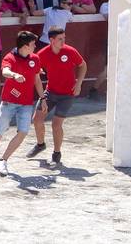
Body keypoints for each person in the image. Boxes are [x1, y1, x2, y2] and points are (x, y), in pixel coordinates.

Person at [0, 31, 45, 176]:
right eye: (33, 44)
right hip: (9, 102)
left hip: (26, 103)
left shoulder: (35, 59)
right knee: (0, 131)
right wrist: (14, 75)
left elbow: (36, 79)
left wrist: (42, 98)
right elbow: (5, 71)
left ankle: (3, 160)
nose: (35, 46)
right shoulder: (10, 57)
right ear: (25, 46)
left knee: (23, 132)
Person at [27, 27, 87, 165]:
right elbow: (34, 69)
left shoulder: (70, 51)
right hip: (50, 92)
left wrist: (79, 84)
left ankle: (57, 152)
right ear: (51, 40)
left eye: (64, 38)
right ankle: (40, 144)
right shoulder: (42, 54)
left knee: (56, 124)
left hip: (67, 94)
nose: (63, 41)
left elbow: (83, 65)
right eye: (60, 39)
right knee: (36, 119)